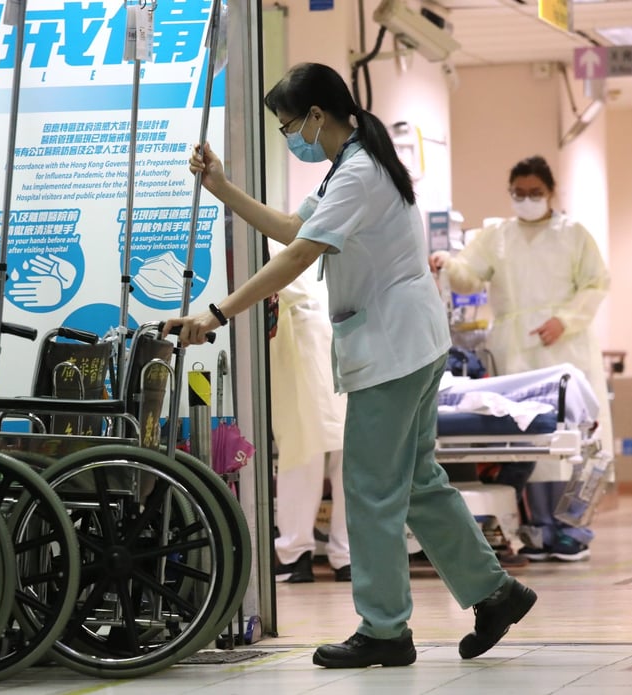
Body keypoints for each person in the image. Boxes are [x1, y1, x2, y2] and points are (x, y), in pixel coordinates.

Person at [163, 62, 536, 669]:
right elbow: (292, 228)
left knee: (369, 491)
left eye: (288, 125)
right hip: (409, 344)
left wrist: (216, 314)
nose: (290, 136)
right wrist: (224, 190)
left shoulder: (358, 172)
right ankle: (496, 591)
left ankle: (386, 629)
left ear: (316, 115)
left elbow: (300, 255)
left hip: (393, 350)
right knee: (416, 481)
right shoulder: (354, 164)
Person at [429, 155, 611, 562]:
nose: (526, 200)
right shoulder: (499, 236)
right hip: (515, 347)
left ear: (551, 192)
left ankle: (571, 528)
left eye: (535, 193)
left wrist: (565, 320)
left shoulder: (574, 233)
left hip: (567, 344)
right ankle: (538, 528)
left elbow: (597, 284)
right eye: (519, 193)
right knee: (528, 436)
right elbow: (469, 275)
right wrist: (447, 264)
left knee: (574, 436)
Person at [269, 241, 351, 583]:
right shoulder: (340, 242)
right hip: (346, 338)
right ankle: (348, 557)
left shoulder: (267, 243)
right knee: (350, 456)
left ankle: (294, 555)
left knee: (301, 453)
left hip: (301, 340)